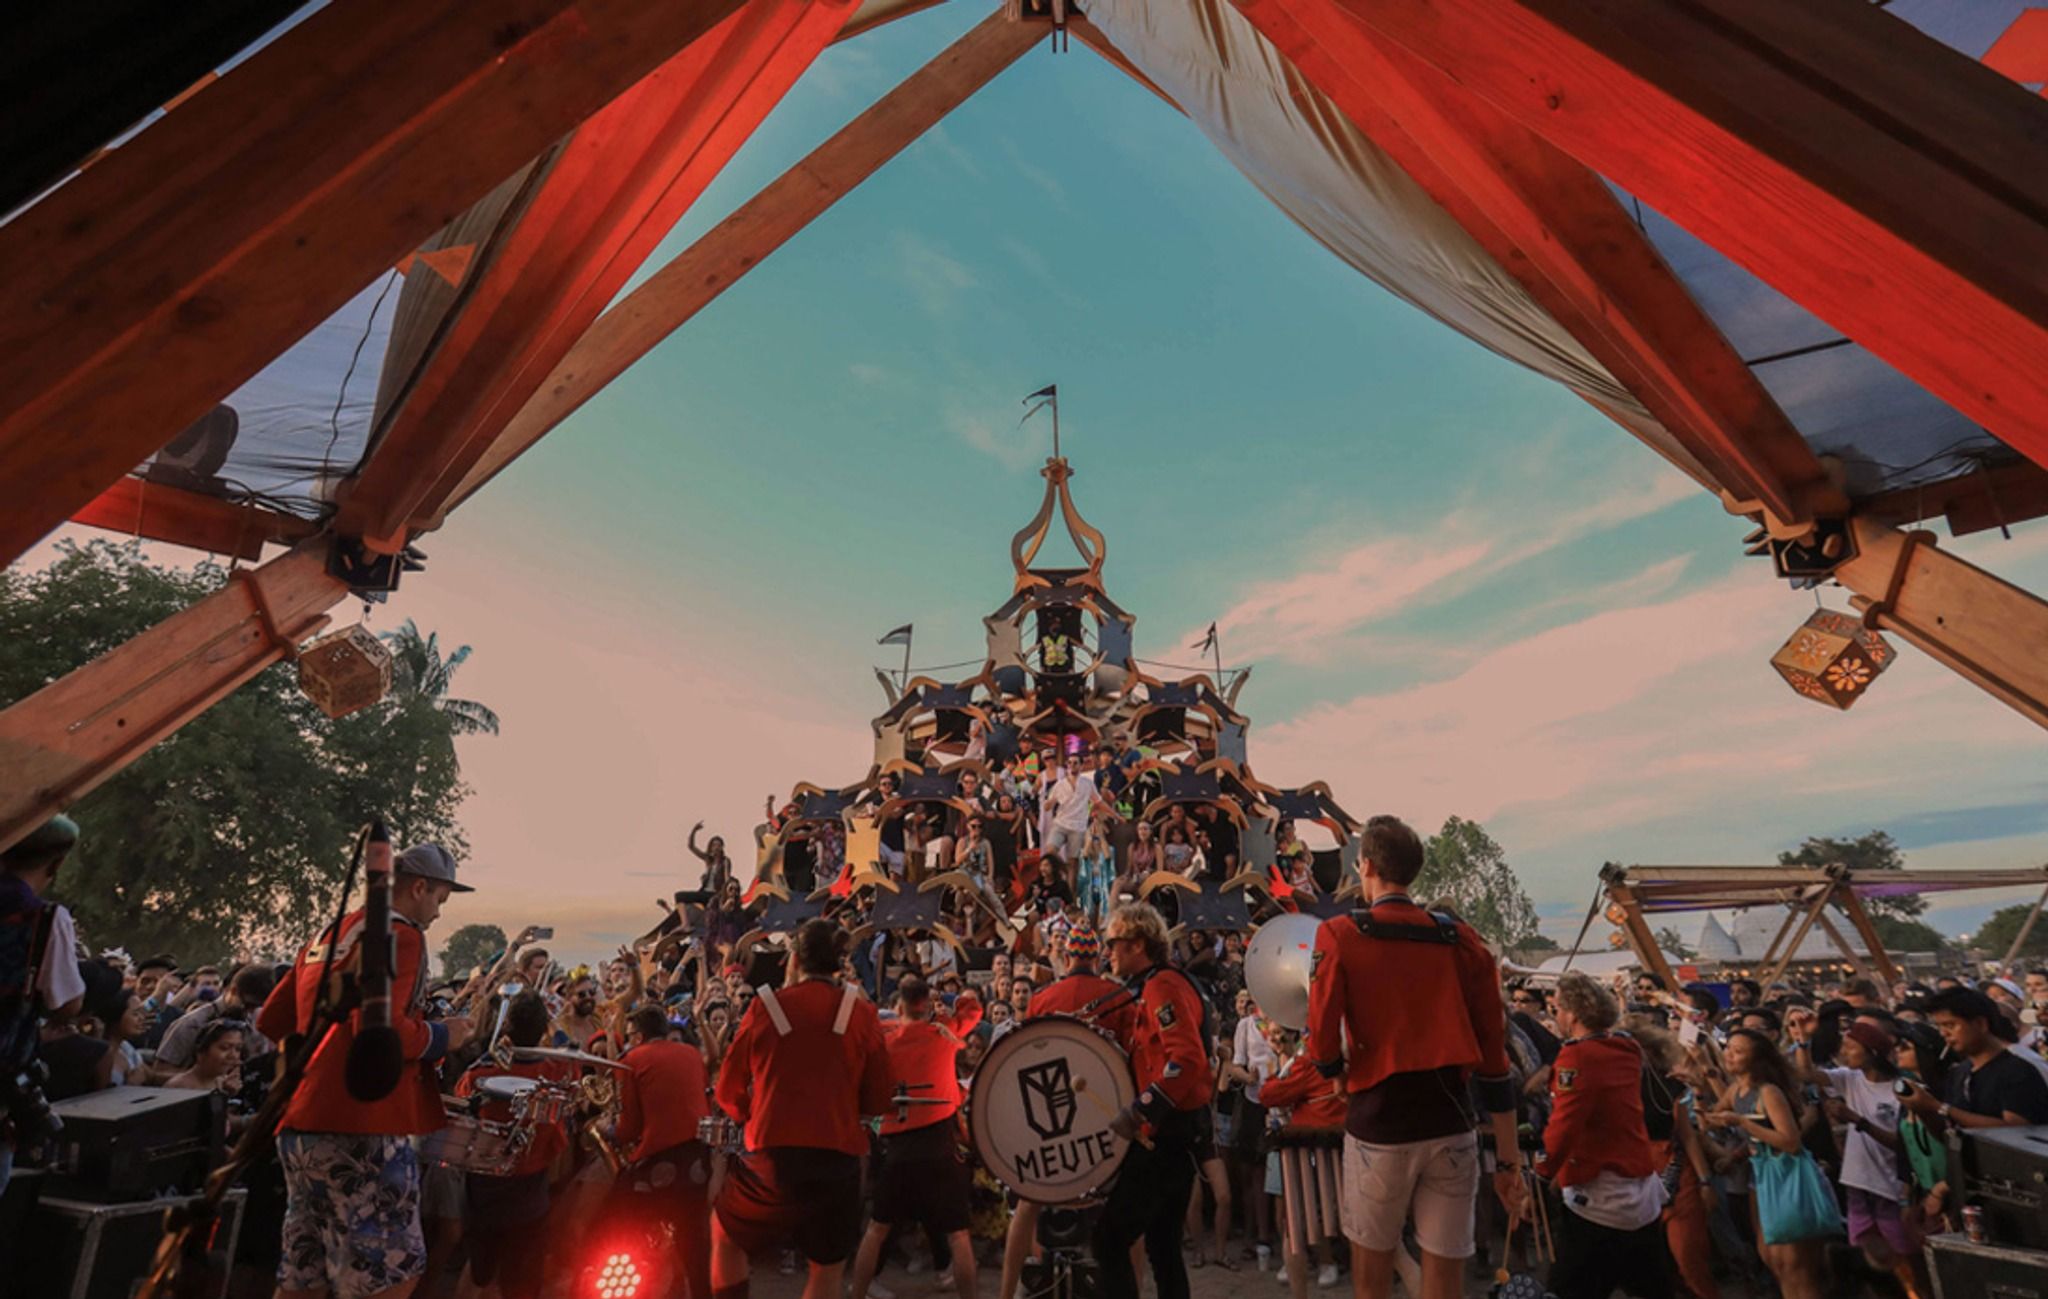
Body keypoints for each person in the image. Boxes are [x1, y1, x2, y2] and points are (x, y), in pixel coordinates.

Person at [1306, 815, 1526, 1299]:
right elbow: (1495, 1058)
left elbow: (1320, 1032)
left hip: (1380, 1125)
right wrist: (1509, 1163)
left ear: (1366, 866)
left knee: (1372, 1278)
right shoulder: (1461, 939)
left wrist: (1332, 1072)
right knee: (1446, 1283)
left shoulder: (1340, 934)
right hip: (1451, 1122)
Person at [257, 841, 477, 1299]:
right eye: (439, 899)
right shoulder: (402, 936)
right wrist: (443, 1035)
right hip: (363, 1126)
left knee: (306, 1273)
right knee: (394, 1275)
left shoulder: (329, 934)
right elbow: (382, 1032)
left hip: (300, 1126)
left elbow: (273, 1021)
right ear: (419, 887)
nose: (438, 913)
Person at [712, 918, 892, 1299]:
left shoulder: (765, 1007)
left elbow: (727, 1090)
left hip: (772, 1157)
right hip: (838, 1158)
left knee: (726, 1236)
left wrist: (749, 1115)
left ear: (793, 960)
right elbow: (880, 1099)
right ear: (839, 963)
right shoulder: (861, 1013)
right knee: (826, 1269)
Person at [1093, 901, 1215, 1299]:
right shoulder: (1157, 984)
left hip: (1165, 1135)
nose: (1108, 951)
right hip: (1177, 1133)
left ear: (1138, 944)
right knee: (1164, 1249)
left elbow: (1187, 1059)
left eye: (1113, 942)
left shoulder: (1163, 986)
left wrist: (1142, 1108)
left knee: (1109, 1240)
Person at [850, 976, 983, 1299]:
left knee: (877, 1229)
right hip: (939, 1144)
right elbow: (973, 1008)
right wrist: (945, 1001)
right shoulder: (943, 1032)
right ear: (927, 1005)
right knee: (958, 1235)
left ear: (899, 1007)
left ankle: (858, 1293)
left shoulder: (887, 1039)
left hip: (899, 1149)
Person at [1537, 973, 1668, 1299]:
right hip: (1640, 1188)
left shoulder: (1577, 1056)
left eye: (1557, 1009)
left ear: (1573, 1014)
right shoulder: (1625, 1047)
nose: (1556, 1015)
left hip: (1598, 1195)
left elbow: (1565, 1125)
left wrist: (1540, 1173)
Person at [1702, 1029, 1828, 1299]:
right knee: (1774, 1261)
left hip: (1786, 1174)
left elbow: (1791, 1141)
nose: (1729, 1055)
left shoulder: (1768, 1092)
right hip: (1760, 1175)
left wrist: (1743, 1122)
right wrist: (1696, 1089)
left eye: (1738, 1051)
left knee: (1796, 1266)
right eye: (1728, 1048)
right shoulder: (1736, 1089)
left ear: (1756, 1058)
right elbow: (1709, 1121)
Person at [614, 1003, 714, 1299]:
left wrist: (609, 1130)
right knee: (693, 1240)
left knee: (618, 1220)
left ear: (638, 1036)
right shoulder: (691, 1054)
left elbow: (629, 1128)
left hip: (659, 1164)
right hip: (697, 1161)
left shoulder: (632, 1061)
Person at [1902, 986, 2048, 1128]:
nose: (1943, 1033)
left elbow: (2016, 1130)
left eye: (1950, 1025)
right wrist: (1923, 1109)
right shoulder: (1959, 1073)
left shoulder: (2017, 1070)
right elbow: (1949, 1132)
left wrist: (1940, 1108)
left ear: (1980, 1024)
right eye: (1940, 1027)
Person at [157, 962, 275, 1070]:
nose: (251, 1011)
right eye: (249, 1005)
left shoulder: (258, 1021)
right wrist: (205, 1079)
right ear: (233, 991)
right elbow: (160, 1071)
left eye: (260, 1006)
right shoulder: (192, 1024)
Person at [164, 1017, 246, 1094]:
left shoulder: (223, 1082)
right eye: (224, 1048)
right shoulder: (179, 1087)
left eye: (238, 1049)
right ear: (201, 1051)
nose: (233, 1055)